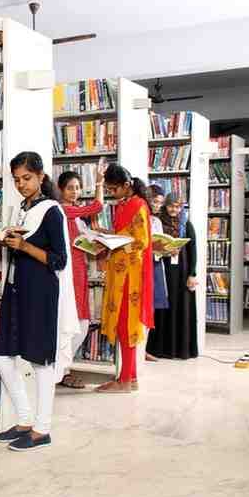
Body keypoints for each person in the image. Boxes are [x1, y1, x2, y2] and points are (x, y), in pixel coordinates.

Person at [0, 152, 79, 452]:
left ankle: (42, 430)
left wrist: (24, 246)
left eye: (26, 178)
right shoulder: (22, 209)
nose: (21, 184)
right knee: (1, 355)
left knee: (41, 362)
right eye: (16, 180)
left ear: (41, 176)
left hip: (41, 293)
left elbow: (59, 260)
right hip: (16, 290)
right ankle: (25, 420)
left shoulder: (52, 211)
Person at [95, 164, 154, 393]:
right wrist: (106, 235)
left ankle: (125, 381)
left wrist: (116, 241)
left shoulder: (138, 205)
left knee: (126, 325)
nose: (112, 194)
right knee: (122, 325)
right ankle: (130, 377)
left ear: (126, 186)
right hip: (119, 272)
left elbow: (142, 241)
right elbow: (125, 234)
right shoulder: (123, 205)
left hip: (130, 275)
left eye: (113, 189)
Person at [56, 159, 107, 389]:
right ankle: (60, 371)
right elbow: (97, 206)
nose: (74, 192)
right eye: (70, 188)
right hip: (69, 273)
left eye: (77, 188)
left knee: (80, 323)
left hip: (80, 270)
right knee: (75, 323)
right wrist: (99, 183)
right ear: (60, 189)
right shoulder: (64, 209)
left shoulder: (75, 215)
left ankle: (62, 370)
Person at [147, 192, 199, 359]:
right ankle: (161, 349)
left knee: (182, 308)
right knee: (163, 309)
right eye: (170, 206)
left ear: (181, 207)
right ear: (165, 206)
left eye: (177, 206)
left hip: (182, 273)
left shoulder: (186, 224)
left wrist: (192, 274)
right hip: (163, 271)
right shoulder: (157, 223)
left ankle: (181, 349)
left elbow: (193, 251)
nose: (174, 209)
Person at [145, 184, 169, 363]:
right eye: (154, 201)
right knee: (143, 307)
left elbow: (160, 245)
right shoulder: (141, 218)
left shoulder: (157, 221)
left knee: (151, 308)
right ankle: (140, 349)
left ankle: (144, 348)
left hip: (156, 264)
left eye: (160, 203)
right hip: (144, 265)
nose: (157, 206)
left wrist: (169, 249)